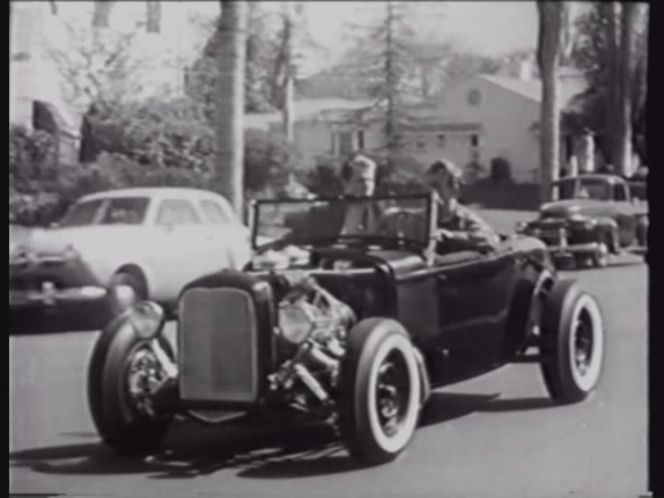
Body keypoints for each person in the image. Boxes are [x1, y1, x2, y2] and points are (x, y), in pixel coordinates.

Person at [424, 158, 500, 252]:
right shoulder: (421, 219)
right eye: (430, 186)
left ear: (456, 190)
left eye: (437, 186)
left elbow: (491, 239)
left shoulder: (464, 218)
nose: (433, 193)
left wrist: (451, 236)